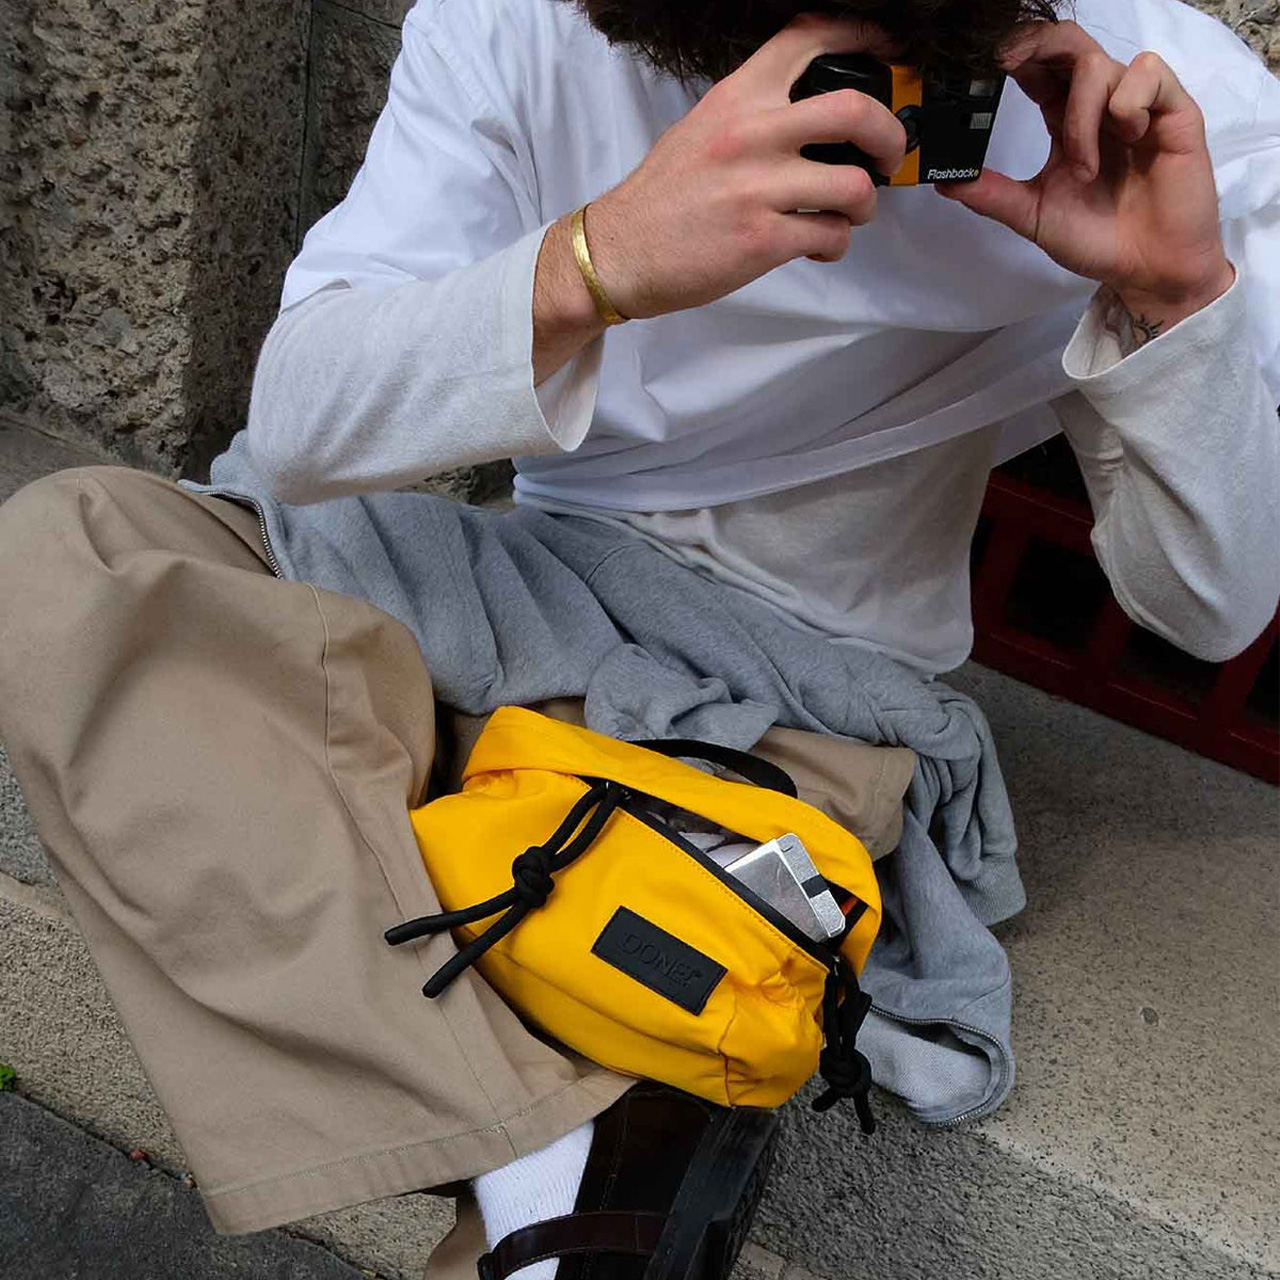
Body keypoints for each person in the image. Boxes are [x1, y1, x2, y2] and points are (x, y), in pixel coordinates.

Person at [0, 0, 1276, 1276]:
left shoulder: (1154, 97)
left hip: (788, 691)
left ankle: (555, 1171)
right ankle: (553, 1155)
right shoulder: (524, 23)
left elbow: (1207, 606)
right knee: (69, 549)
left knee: (643, 944)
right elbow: (296, 421)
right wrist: (595, 259)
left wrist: (1170, 297)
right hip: (517, 591)